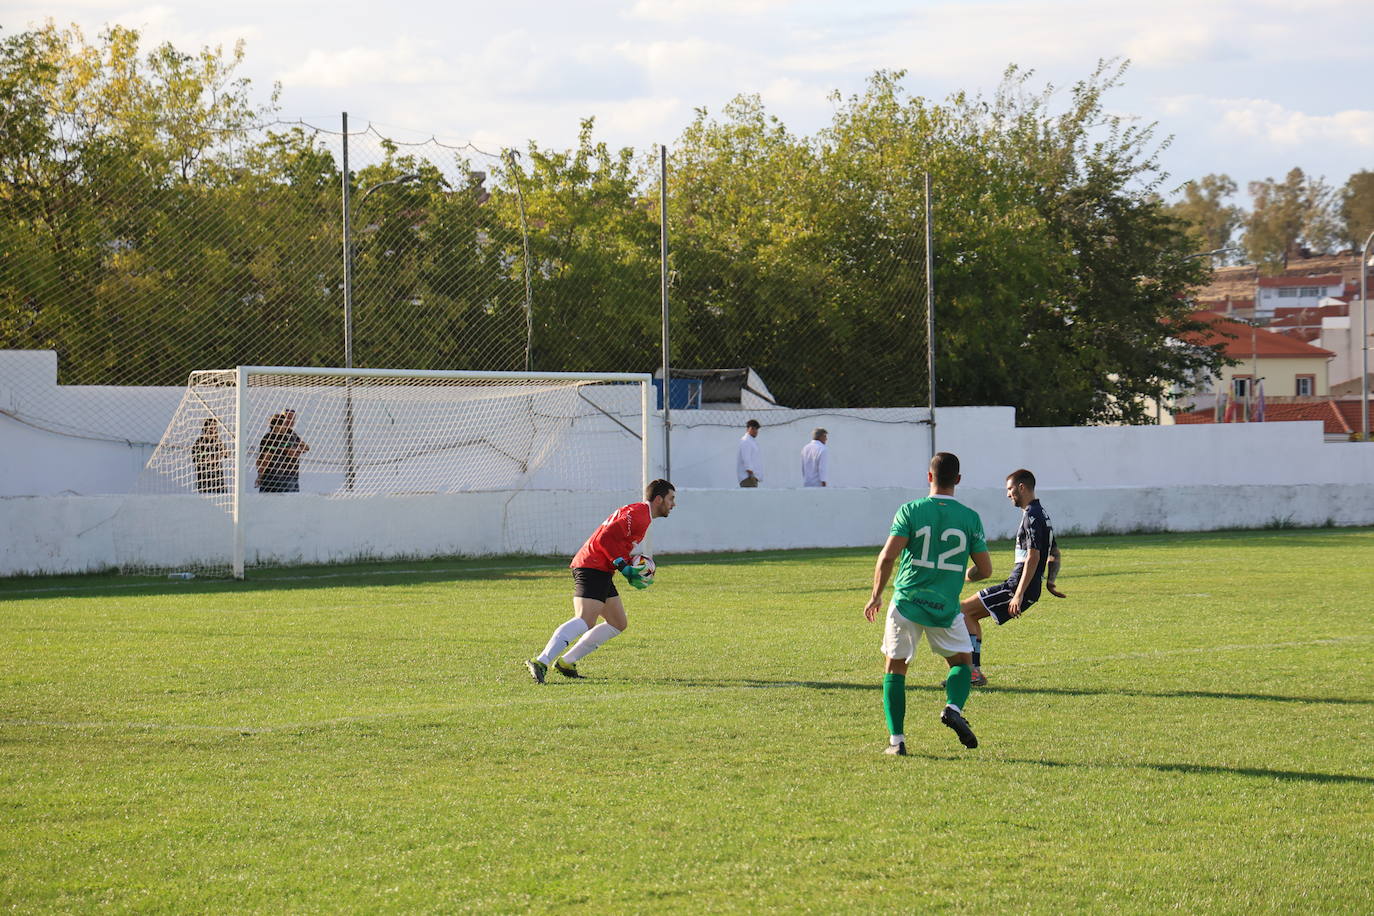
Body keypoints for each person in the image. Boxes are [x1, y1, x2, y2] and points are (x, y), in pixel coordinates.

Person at [864, 452, 992, 755]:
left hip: (907, 601)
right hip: (944, 607)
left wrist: (876, 594)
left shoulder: (910, 510)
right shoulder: (970, 518)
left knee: (895, 668)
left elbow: (888, 556)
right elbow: (985, 570)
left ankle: (897, 742)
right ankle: (952, 708)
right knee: (962, 662)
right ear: (958, 480)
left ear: (929, 477)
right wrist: (968, 574)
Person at [525, 479, 676, 683]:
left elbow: (615, 539)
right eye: (671, 499)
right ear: (659, 499)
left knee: (617, 623)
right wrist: (624, 567)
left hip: (601, 568)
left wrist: (631, 562)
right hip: (592, 565)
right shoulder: (639, 515)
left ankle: (566, 662)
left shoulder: (640, 513)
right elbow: (605, 538)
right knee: (585, 619)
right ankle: (541, 660)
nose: (673, 504)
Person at [960, 468, 1055, 687]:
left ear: (1022, 487)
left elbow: (1033, 556)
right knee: (968, 613)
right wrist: (1050, 581)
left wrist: (1018, 595)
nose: (1008, 494)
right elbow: (1053, 550)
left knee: (963, 611)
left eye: (1010, 489)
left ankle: (973, 673)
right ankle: (974, 672)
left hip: (1018, 586)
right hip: (1025, 585)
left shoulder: (1032, 515)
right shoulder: (1041, 513)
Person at [255, 409, 309, 493]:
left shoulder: (291, 434)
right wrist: (260, 476)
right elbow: (265, 457)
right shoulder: (271, 437)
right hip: (275, 478)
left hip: (292, 476)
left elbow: (305, 448)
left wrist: (295, 449)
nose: (290, 422)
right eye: (287, 419)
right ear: (278, 425)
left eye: (292, 419)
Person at [191, 417, 228, 494]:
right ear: (206, 428)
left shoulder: (217, 442)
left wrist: (223, 451)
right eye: (211, 428)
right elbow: (197, 457)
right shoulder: (200, 442)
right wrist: (210, 457)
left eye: (215, 428)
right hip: (205, 479)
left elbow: (226, 454)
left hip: (218, 479)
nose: (213, 430)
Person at [737, 419, 762, 487]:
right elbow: (746, 459)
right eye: (752, 429)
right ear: (747, 429)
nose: (755, 431)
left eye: (756, 429)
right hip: (748, 478)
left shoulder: (751, 441)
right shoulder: (746, 441)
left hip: (751, 478)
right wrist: (751, 475)